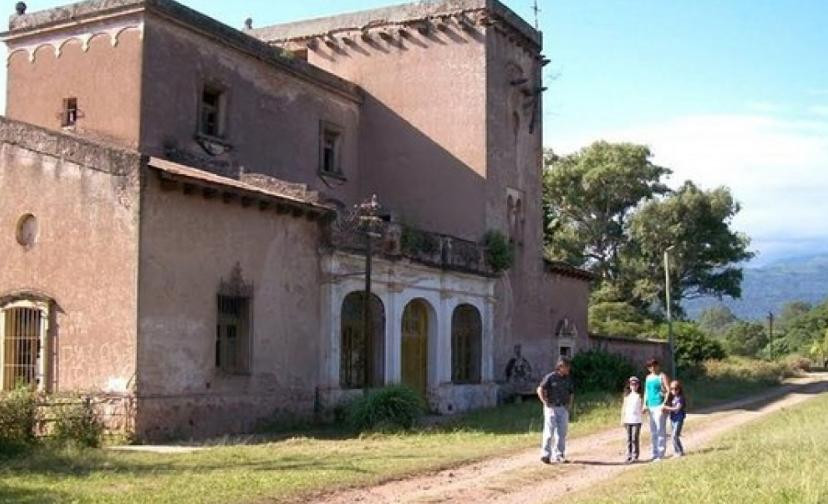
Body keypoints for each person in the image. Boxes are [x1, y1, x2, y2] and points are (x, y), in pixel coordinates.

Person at [537, 357, 574, 464]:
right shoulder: (550, 377)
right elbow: (540, 389)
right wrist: (544, 402)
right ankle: (545, 455)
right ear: (560, 367)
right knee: (549, 432)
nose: (568, 369)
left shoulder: (568, 379)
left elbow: (571, 393)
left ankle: (559, 454)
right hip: (551, 407)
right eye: (567, 367)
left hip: (563, 407)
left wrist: (569, 406)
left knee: (562, 432)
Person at [642, 358, 670, 461]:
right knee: (653, 432)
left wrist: (664, 403)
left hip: (659, 406)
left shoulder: (662, 376)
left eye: (654, 365)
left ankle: (660, 454)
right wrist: (644, 404)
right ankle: (654, 453)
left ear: (658, 366)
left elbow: (668, 390)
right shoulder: (648, 377)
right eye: (650, 366)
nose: (652, 368)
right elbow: (646, 392)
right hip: (650, 406)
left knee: (660, 431)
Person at [621, 376, 643, 463]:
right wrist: (622, 419)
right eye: (632, 384)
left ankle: (635, 455)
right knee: (628, 439)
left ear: (638, 385)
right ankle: (629, 455)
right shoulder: (627, 396)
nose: (633, 386)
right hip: (628, 419)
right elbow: (624, 408)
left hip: (636, 420)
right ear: (629, 386)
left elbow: (642, 407)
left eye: (635, 384)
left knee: (634, 438)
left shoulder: (639, 396)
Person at [662, 380, 687, 457]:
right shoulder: (672, 398)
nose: (674, 390)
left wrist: (667, 408)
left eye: (676, 389)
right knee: (673, 436)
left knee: (674, 436)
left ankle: (679, 451)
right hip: (673, 419)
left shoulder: (680, 398)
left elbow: (677, 409)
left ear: (679, 389)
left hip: (679, 419)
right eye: (672, 388)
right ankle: (678, 451)